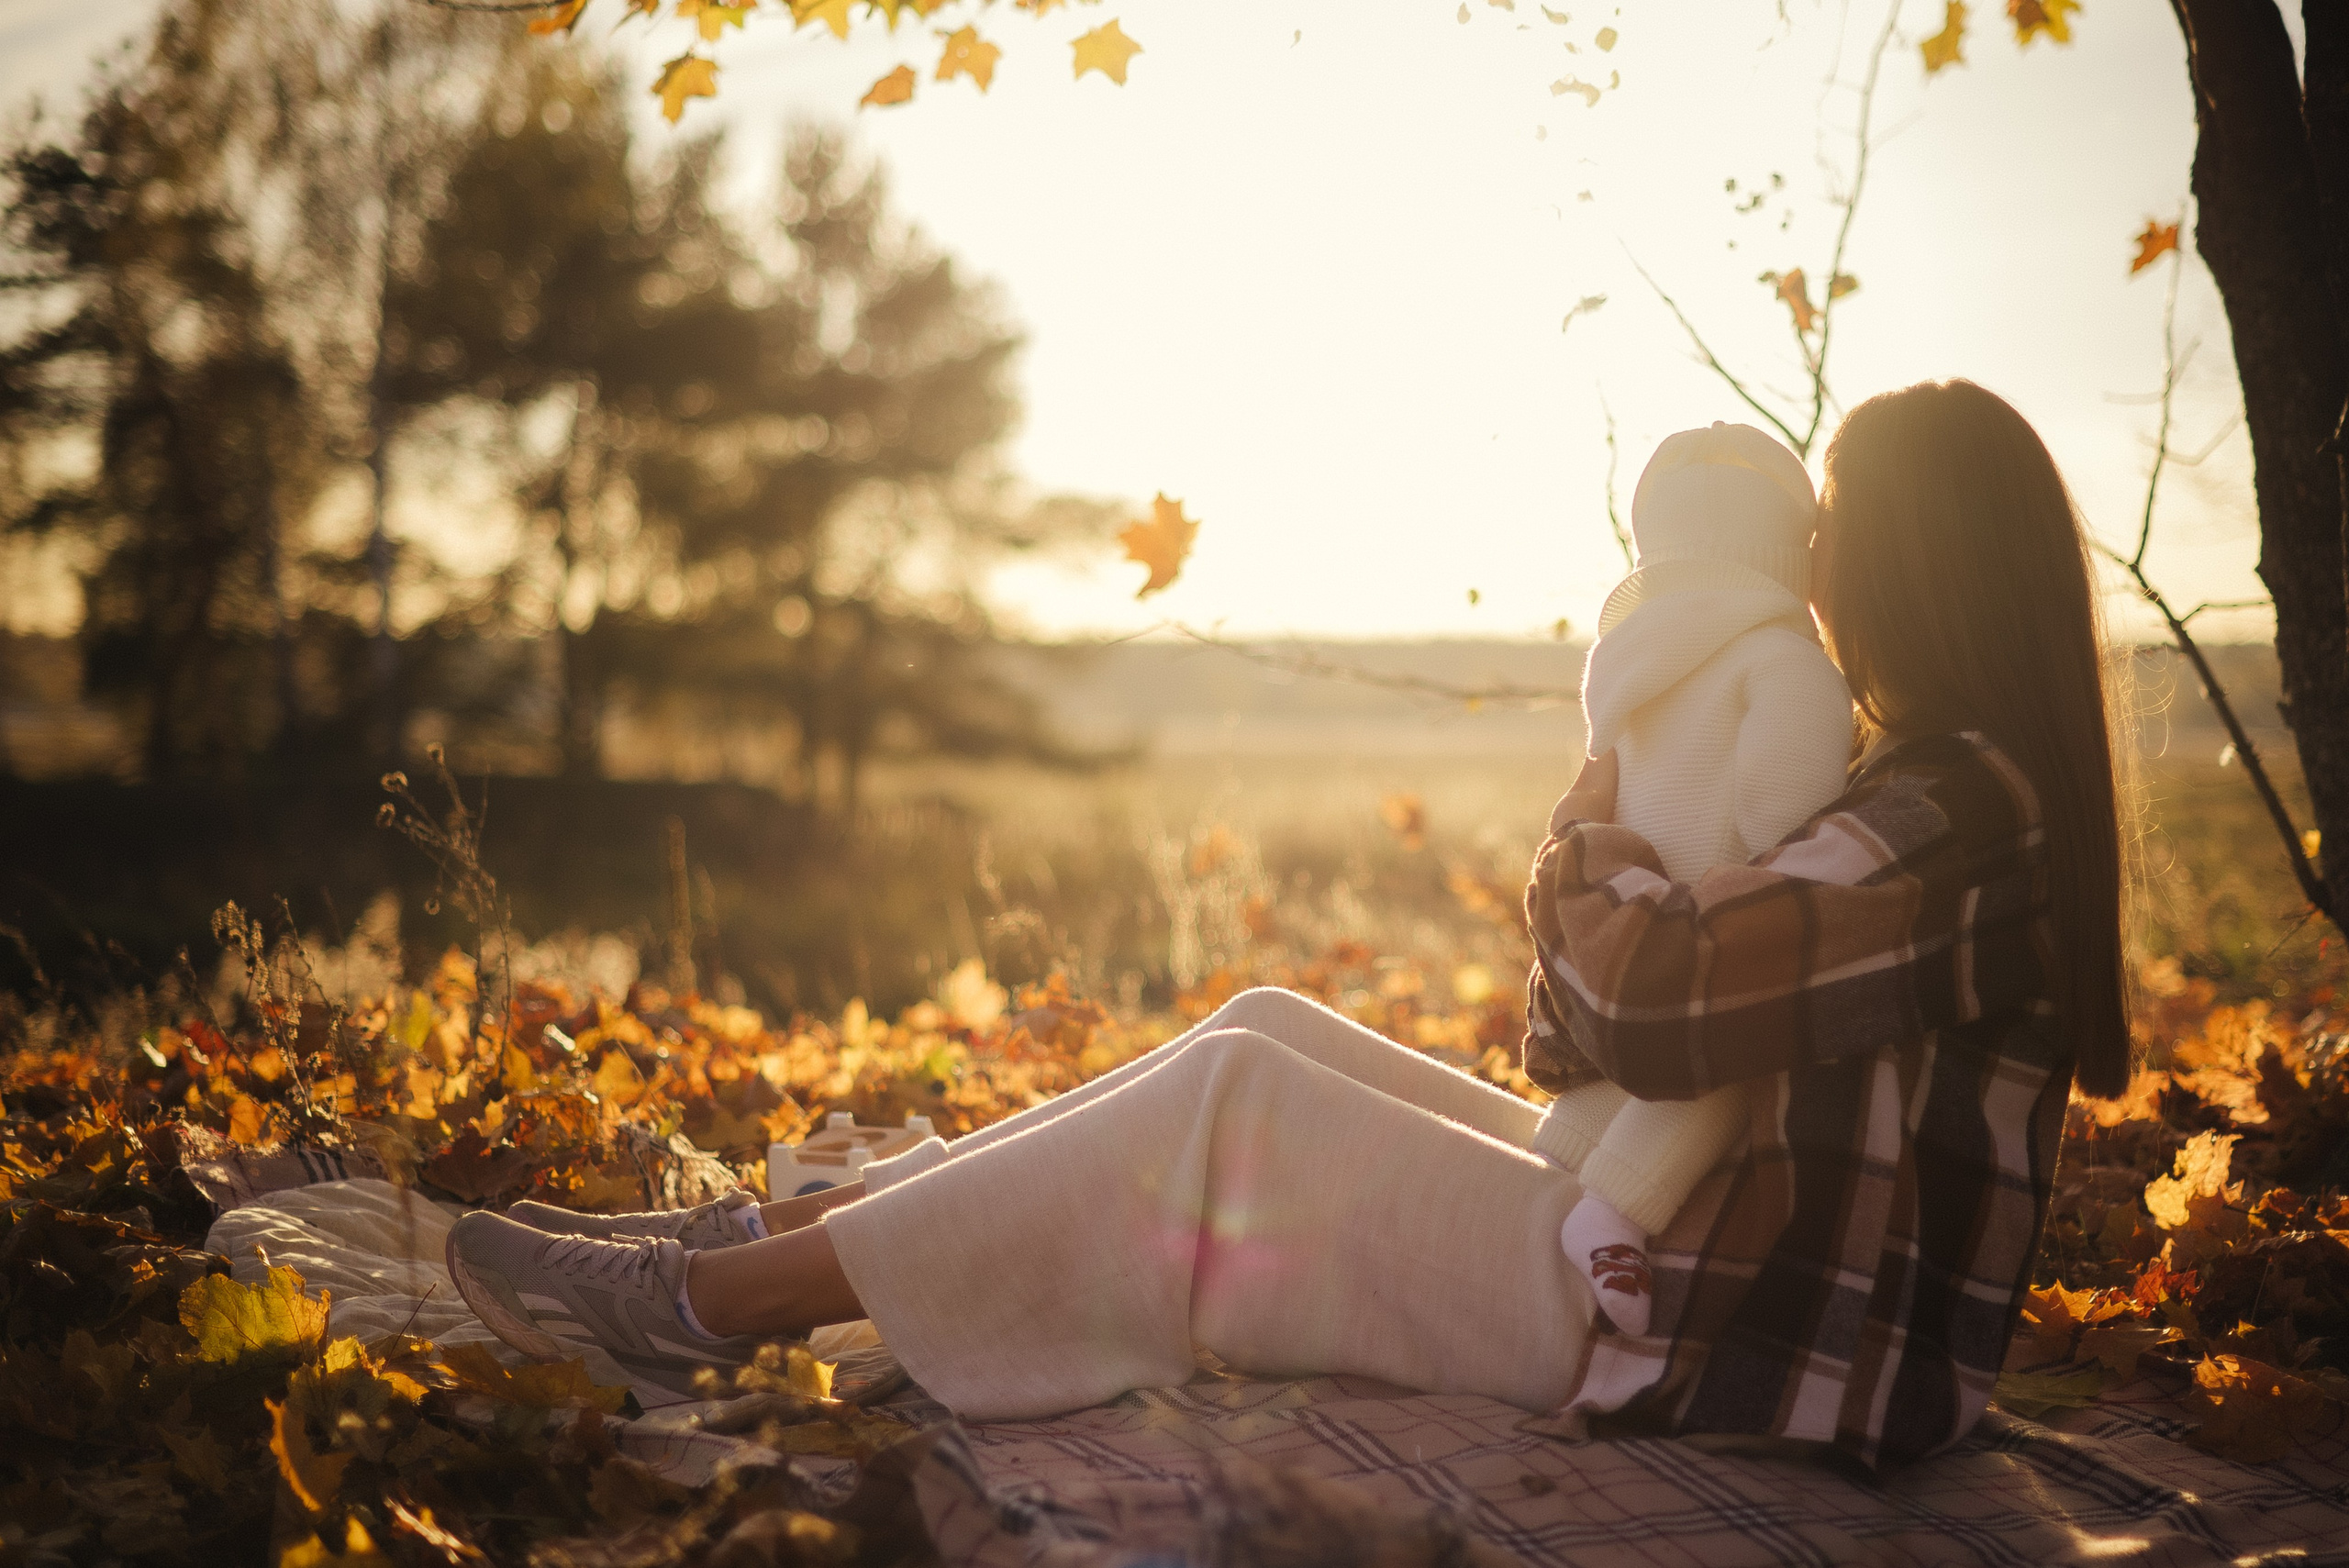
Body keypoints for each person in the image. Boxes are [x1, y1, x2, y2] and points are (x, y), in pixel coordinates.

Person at [445, 378, 2129, 1473]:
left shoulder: (1969, 806)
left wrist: (1597, 810)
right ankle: (748, 1238)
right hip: (1689, 1246)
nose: (1812, 565)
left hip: (1748, 1336)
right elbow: (1607, 1019)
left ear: (1915, 559)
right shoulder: (1921, 774)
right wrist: (1607, 891)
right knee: (1267, 1024)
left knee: (1231, 1116)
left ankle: (709, 1308)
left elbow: (1657, 999)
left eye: (1838, 531)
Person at [1540, 420, 1854, 1336]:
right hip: (1709, 941)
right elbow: (1779, 821)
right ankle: (1617, 1214)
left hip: (1618, 931)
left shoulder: (1628, 660)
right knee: (1744, 1046)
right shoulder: (1785, 663)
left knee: (1618, 1071)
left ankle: (1558, 1174)